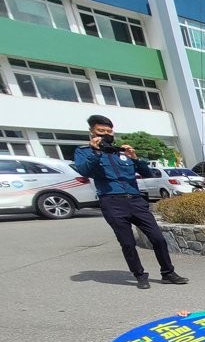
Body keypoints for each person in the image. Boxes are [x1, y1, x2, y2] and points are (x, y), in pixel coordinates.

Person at [73, 115, 189, 290]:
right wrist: (96, 152)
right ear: (92, 132)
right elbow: (85, 171)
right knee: (127, 243)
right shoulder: (85, 151)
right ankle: (140, 275)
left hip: (135, 200)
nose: (106, 134)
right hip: (112, 202)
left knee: (158, 238)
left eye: (109, 131)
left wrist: (134, 158)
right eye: (101, 131)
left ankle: (168, 273)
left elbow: (148, 173)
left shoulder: (122, 152)